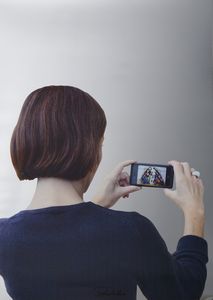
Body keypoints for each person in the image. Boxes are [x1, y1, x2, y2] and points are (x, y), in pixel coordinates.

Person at [0, 85, 208, 300]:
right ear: (89, 151)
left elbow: (61, 245)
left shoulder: (4, 237)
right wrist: (195, 212)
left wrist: (97, 205)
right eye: (100, 144)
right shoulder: (130, 231)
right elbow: (183, 293)